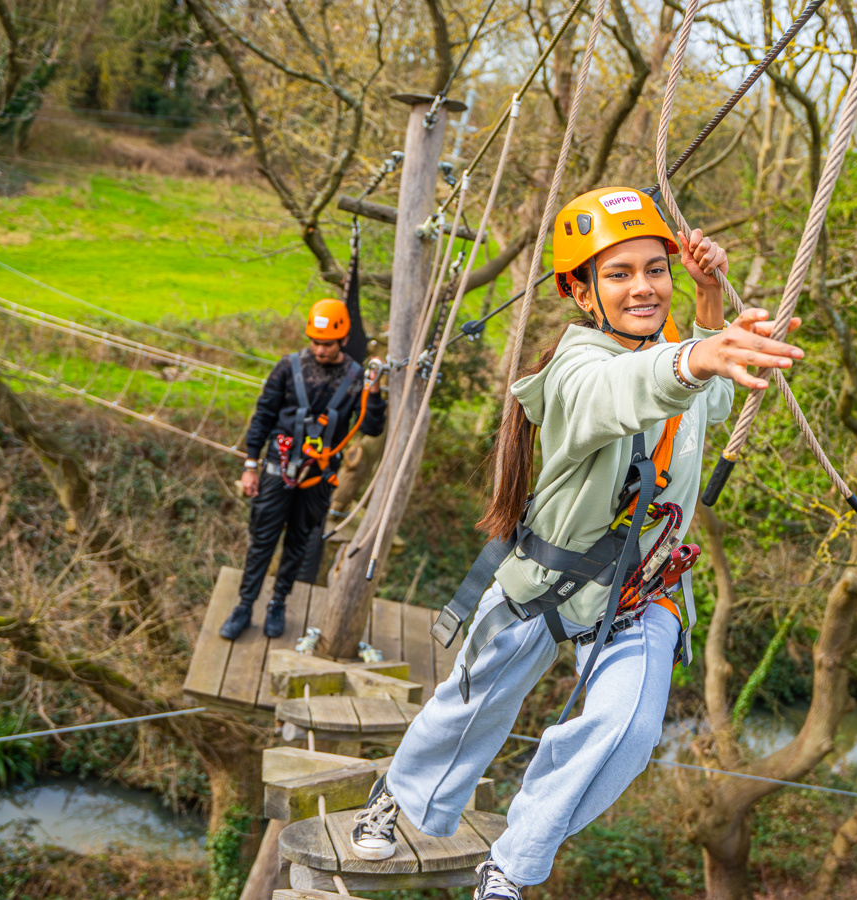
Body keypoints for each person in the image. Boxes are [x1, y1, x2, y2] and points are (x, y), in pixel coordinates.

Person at [343, 187, 805, 899]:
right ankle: (399, 799)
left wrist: (709, 316)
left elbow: (706, 401)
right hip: (545, 580)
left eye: (655, 269)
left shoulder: (670, 353)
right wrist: (694, 357)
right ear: (581, 293)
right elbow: (621, 391)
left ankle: (511, 865)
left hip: (639, 591)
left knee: (627, 731)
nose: (643, 287)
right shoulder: (578, 366)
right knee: (469, 710)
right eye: (618, 275)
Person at [228, 298, 387, 641]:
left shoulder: (356, 378)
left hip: (318, 476)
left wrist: (374, 391)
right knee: (262, 540)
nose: (320, 349)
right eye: (315, 342)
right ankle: (244, 606)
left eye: (327, 344)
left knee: (298, 543)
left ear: (343, 341)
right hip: (277, 470)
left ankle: (278, 603)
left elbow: (372, 427)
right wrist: (250, 465)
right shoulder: (288, 368)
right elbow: (263, 416)